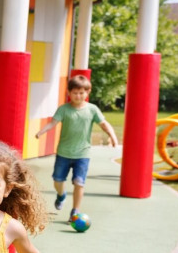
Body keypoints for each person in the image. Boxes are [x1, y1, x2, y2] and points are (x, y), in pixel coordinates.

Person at [35, 74, 118, 220]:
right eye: (75, 93)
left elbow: (104, 124)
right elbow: (53, 123)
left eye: (81, 93)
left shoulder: (92, 109)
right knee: (58, 181)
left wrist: (113, 136)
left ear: (87, 92)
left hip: (82, 154)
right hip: (64, 153)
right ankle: (61, 196)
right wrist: (42, 131)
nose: (78, 96)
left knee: (79, 183)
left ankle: (75, 211)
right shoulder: (64, 109)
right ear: (69, 92)